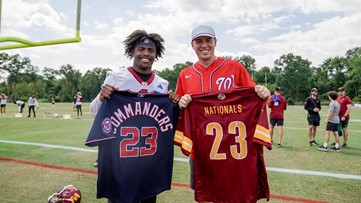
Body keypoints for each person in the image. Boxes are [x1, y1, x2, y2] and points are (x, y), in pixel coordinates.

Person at [175, 25, 271, 203]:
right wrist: (181, 103)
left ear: (215, 42)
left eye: (208, 40)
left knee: (234, 196)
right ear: (192, 45)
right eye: (199, 41)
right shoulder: (185, 74)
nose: (204, 45)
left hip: (234, 154)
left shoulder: (235, 67)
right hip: (202, 153)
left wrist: (263, 92)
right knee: (206, 195)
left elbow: (253, 97)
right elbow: (180, 112)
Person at [88, 29, 179, 203]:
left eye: (150, 50)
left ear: (156, 54)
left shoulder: (162, 84)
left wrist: (173, 102)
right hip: (121, 163)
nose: (146, 53)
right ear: (132, 51)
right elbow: (94, 111)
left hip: (149, 163)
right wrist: (101, 96)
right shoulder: (116, 77)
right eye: (141, 49)